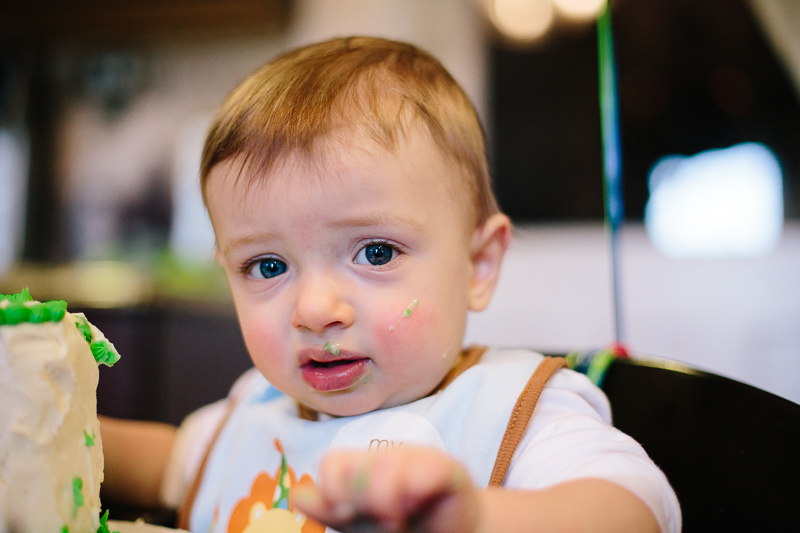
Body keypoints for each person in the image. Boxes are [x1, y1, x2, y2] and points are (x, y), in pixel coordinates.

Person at [101, 36, 680, 532]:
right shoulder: (260, 406)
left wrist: (475, 518)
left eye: (375, 252)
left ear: (478, 265)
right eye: (268, 266)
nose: (315, 309)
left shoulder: (515, 410)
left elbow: (636, 510)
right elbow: (171, 463)